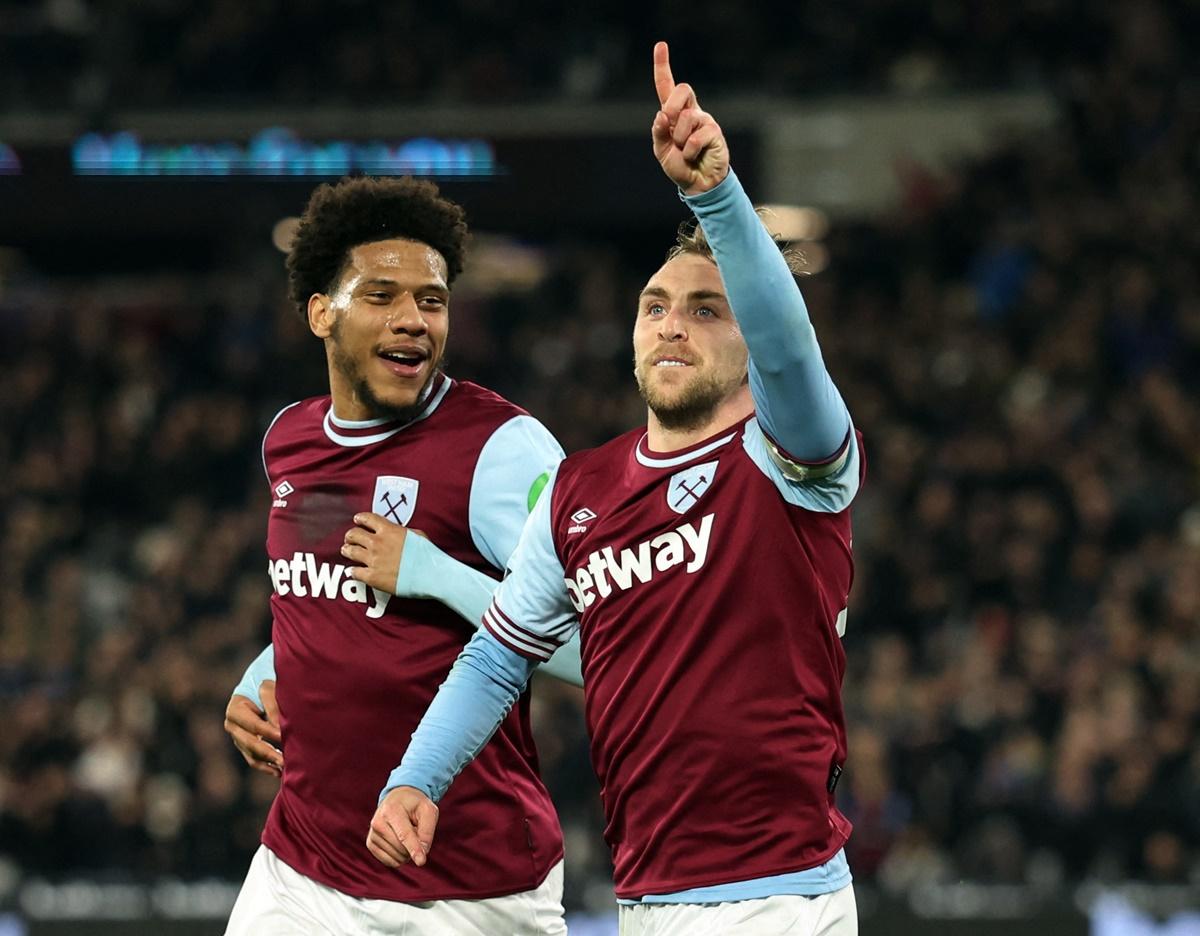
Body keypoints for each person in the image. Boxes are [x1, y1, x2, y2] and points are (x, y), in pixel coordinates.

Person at [366, 43, 863, 935]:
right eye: (655, 306)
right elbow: (496, 653)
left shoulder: (791, 461)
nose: (673, 323)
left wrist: (712, 193)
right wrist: (416, 778)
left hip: (782, 901)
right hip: (645, 900)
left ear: (749, 339)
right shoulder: (578, 493)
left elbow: (791, 350)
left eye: (707, 309)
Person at [222, 175, 582, 936]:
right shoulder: (289, 440)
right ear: (323, 313)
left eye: (432, 300)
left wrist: (437, 577)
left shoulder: (501, 450)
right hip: (301, 870)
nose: (414, 320)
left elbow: (601, 647)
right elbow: (325, 590)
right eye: (382, 295)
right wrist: (264, 672)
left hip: (467, 888)